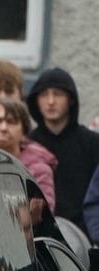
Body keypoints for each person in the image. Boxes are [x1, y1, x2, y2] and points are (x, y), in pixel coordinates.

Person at [26, 67, 99, 232]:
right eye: (44, 95)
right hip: (38, 235)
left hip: (84, 235)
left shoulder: (92, 143)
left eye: (58, 94)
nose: (50, 101)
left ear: (71, 100)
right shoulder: (28, 144)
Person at [0, 97, 57, 221]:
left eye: (11, 122)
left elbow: (42, 216)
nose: (3, 127)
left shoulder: (39, 170)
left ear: (24, 132)